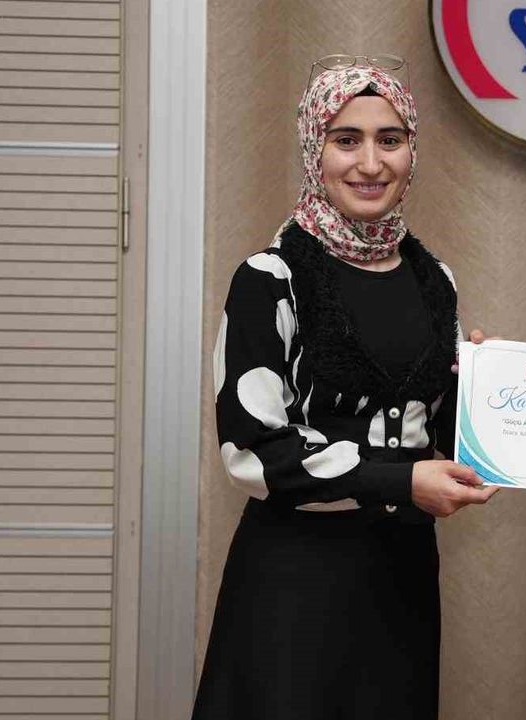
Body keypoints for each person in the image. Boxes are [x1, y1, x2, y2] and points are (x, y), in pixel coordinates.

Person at [192, 59, 497, 720]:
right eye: (346, 139)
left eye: (390, 139)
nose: (371, 163)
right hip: (295, 580)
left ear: (412, 150)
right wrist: (402, 481)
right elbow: (254, 451)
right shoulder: (269, 279)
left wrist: (493, 391)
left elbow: (437, 436)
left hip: (400, 579)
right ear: (314, 150)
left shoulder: (434, 279)